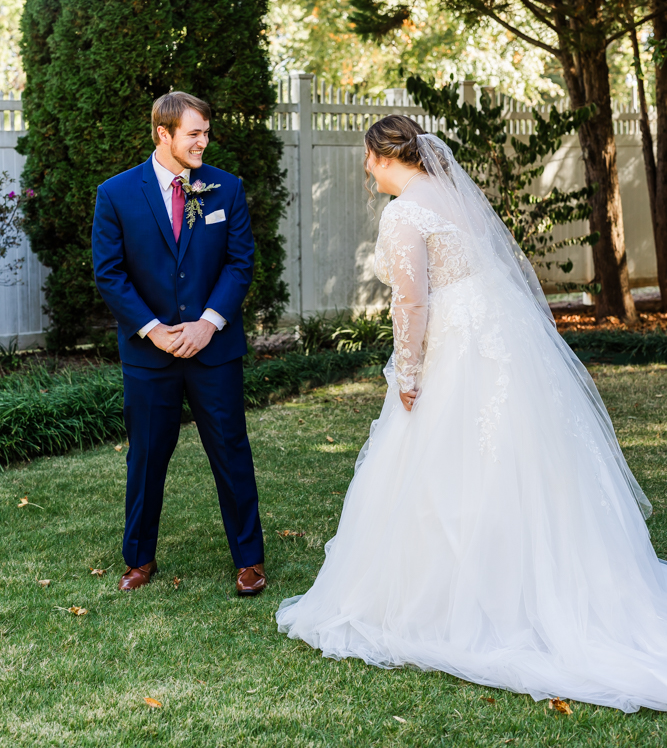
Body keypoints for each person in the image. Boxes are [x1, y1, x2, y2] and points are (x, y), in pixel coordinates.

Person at [277, 114, 667, 713]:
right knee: (518, 457)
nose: (363, 170)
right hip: (498, 335)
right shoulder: (450, 195)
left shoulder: (405, 210)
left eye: (366, 158)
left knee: (444, 460)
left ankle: (451, 599)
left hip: (456, 347)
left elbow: (412, 300)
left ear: (383, 155)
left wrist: (407, 372)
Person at [92, 91, 265, 596]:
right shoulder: (117, 193)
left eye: (206, 133)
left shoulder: (225, 189)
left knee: (232, 450)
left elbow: (240, 264)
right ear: (163, 134)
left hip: (214, 350)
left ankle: (249, 559)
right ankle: (139, 558)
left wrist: (208, 323)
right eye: (194, 134)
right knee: (145, 456)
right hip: (149, 353)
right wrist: (152, 329)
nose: (203, 143)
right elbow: (110, 273)